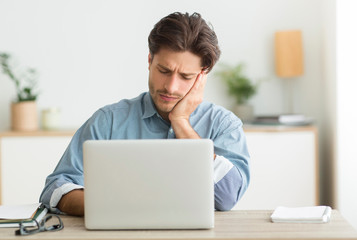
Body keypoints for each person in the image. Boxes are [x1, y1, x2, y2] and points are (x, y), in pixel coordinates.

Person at [40, 12, 250, 216]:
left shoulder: (223, 124)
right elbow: (55, 190)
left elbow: (227, 197)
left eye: (186, 76)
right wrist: (117, 207)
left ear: (202, 77)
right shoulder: (108, 121)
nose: (171, 87)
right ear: (150, 61)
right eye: (164, 71)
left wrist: (181, 123)